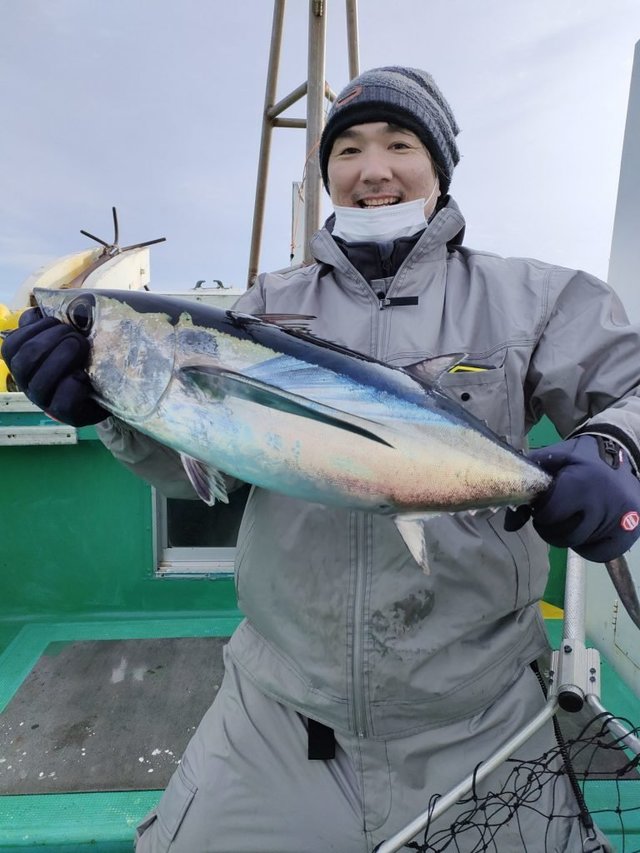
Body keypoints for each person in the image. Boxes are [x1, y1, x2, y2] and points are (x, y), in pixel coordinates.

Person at [4, 66, 640, 852]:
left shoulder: (531, 297)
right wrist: (108, 407)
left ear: (439, 168)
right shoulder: (262, 306)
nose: (373, 170)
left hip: (481, 714)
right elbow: (202, 463)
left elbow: (632, 385)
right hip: (279, 714)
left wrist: (616, 448)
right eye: (348, 150)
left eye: (399, 144)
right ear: (328, 172)